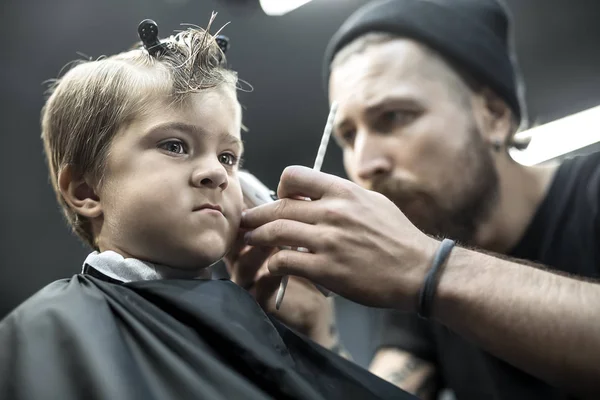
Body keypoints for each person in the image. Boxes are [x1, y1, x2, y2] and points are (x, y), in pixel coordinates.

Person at [0, 17, 413, 400]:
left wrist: (317, 335)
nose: (215, 173)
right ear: (86, 190)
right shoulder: (48, 332)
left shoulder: (268, 324)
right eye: (175, 145)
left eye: (229, 157)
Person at [231, 0, 600, 399]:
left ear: (493, 114)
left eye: (394, 117)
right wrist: (317, 336)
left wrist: (427, 269)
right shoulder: (424, 296)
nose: (365, 164)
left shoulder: (590, 192)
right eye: (349, 137)